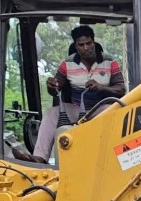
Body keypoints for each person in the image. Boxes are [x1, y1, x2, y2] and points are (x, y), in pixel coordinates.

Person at [14, 26, 126, 163]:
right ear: (76, 46)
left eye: (89, 43)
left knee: (119, 111)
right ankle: (40, 157)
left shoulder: (110, 62)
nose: (86, 48)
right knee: (51, 113)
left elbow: (121, 90)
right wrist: (51, 86)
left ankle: (120, 157)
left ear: (94, 42)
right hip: (77, 109)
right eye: (81, 45)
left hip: (103, 109)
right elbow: (56, 89)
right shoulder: (67, 64)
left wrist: (101, 87)